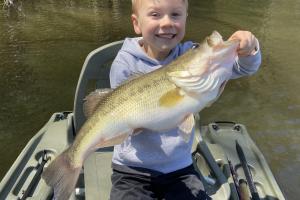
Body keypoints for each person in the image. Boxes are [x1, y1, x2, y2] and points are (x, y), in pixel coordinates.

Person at [109, 0, 261, 199]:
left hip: (179, 168)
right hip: (131, 170)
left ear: (185, 18)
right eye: (155, 15)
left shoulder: (190, 52)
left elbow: (244, 67)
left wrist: (248, 48)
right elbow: (117, 116)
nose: (166, 23)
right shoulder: (125, 63)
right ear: (136, 23)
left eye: (175, 14)